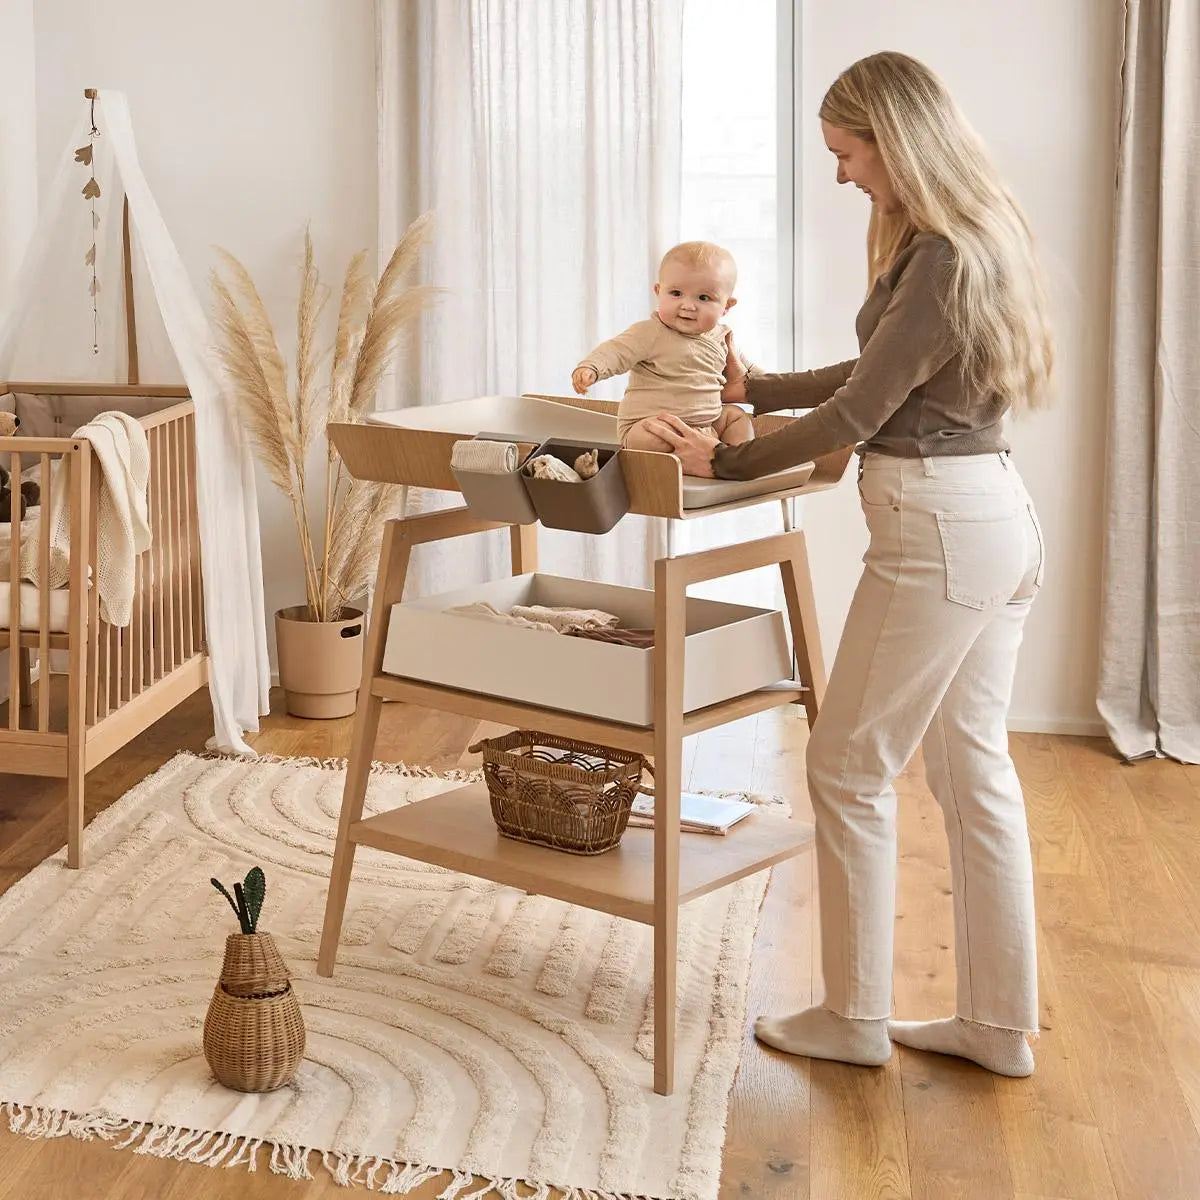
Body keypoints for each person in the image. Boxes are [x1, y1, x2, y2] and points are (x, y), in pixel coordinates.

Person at [645, 51, 1053, 1078]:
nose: (840, 176)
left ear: (894, 136)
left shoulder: (944, 256)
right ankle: (999, 1028)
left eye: (846, 152)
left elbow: (861, 412)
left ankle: (855, 1018)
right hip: (993, 519)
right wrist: (765, 383)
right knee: (973, 773)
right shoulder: (967, 241)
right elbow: (879, 376)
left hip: (941, 533)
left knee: (846, 766)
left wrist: (728, 454)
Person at [572, 240, 756, 454]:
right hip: (653, 424)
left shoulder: (723, 338)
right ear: (659, 291)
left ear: (726, 306)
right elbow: (616, 351)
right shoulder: (650, 332)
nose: (688, 305)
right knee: (649, 437)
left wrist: (770, 387)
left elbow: (747, 371)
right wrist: (592, 368)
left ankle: (733, 459)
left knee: (736, 418)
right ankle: (702, 459)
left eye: (703, 298)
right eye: (676, 293)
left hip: (708, 424)